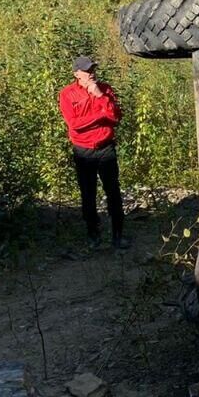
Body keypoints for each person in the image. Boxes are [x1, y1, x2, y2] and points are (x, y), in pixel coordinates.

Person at [58, 55, 127, 250]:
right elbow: (74, 125)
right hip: (83, 151)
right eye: (87, 71)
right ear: (76, 74)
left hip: (106, 148)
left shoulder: (104, 89)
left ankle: (118, 236)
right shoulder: (67, 94)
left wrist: (99, 95)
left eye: (92, 69)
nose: (91, 73)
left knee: (113, 191)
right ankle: (93, 235)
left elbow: (115, 116)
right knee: (88, 194)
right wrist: (100, 115)